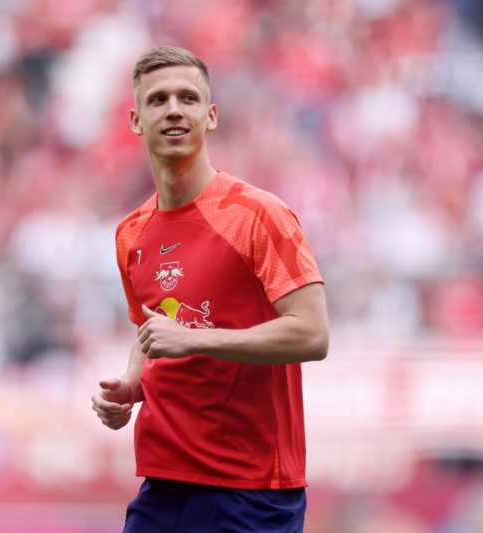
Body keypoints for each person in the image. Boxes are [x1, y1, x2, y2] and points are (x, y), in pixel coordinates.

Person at [91, 45, 329, 533]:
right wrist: (131, 385)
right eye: (158, 100)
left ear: (211, 115)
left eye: (188, 98)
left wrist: (196, 339)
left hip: (253, 490)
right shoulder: (130, 233)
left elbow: (312, 335)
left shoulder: (258, 214)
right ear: (137, 121)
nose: (174, 109)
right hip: (165, 484)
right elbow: (149, 329)